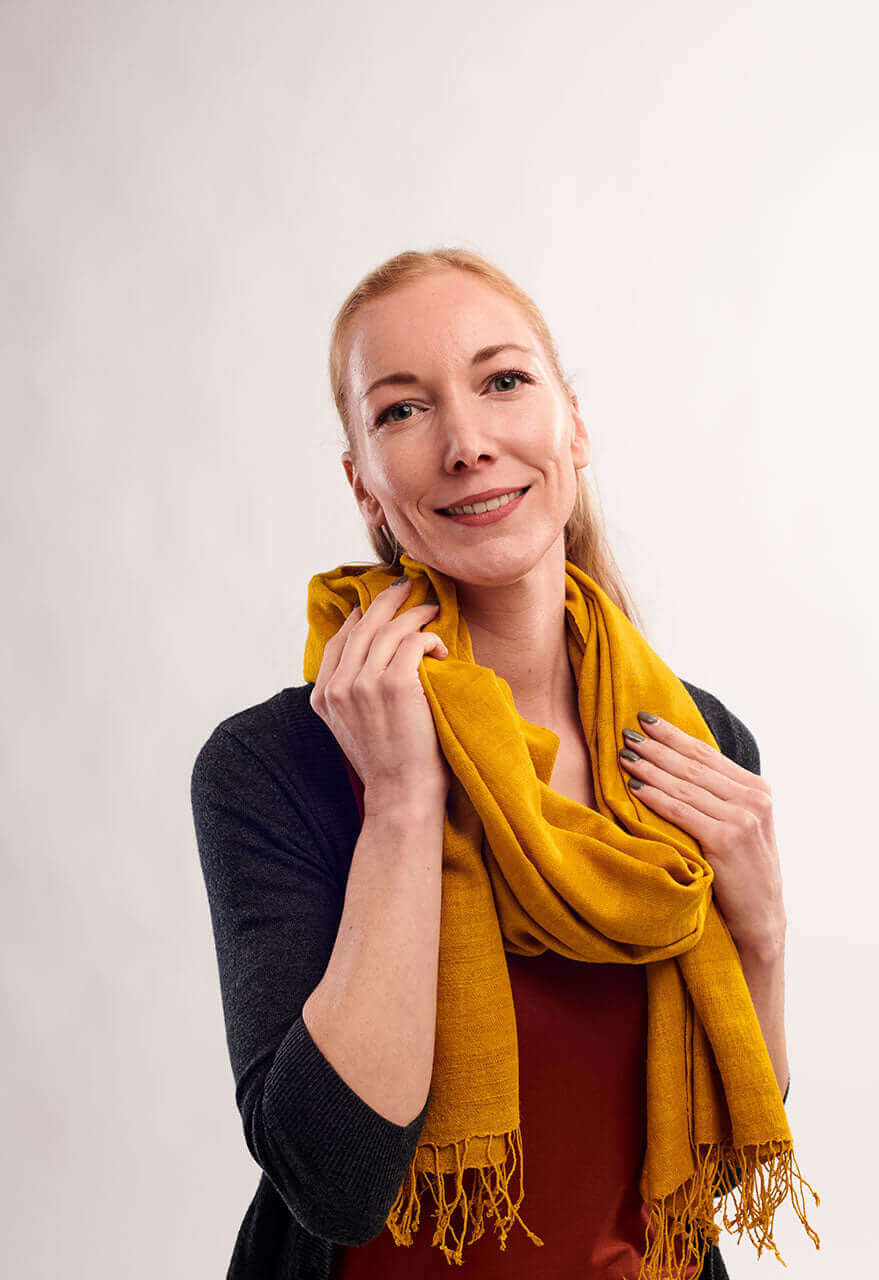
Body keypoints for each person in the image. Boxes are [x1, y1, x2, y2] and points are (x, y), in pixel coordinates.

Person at [191, 248, 807, 1280]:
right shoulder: (275, 764)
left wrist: (764, 932)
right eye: (402, 410)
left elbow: (720, 1158)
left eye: (503, 381)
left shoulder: (696, 742)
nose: (467, 443)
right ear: (363, 484)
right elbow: (335, 1181)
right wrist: (401, 803)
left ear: (574, 425)